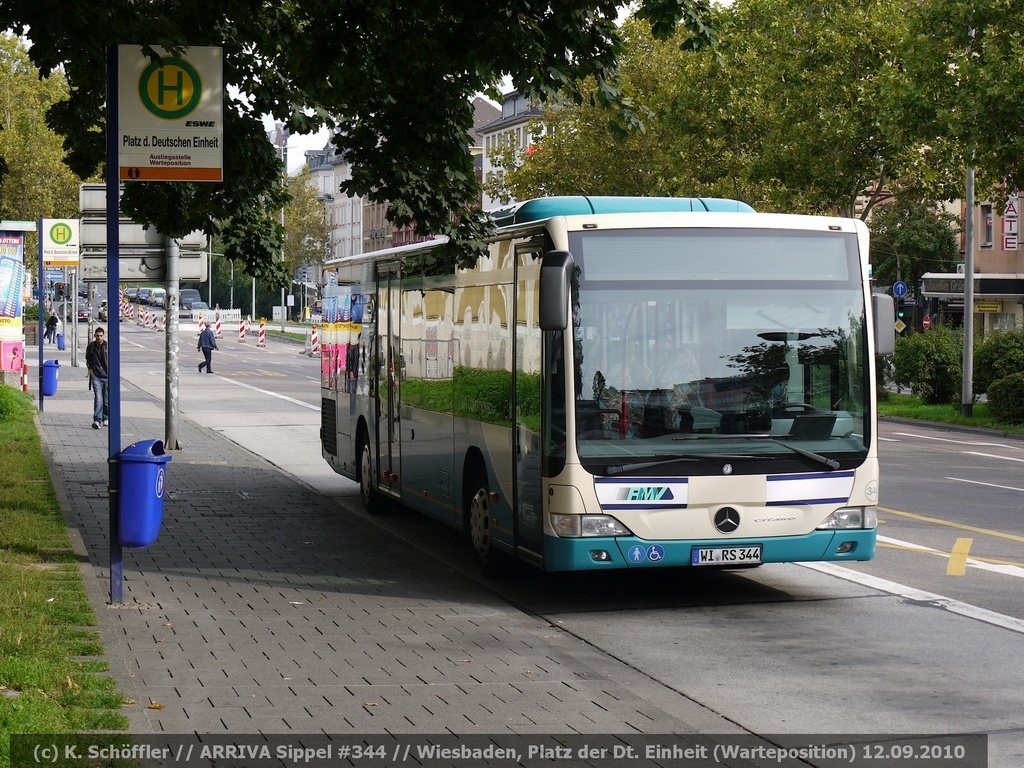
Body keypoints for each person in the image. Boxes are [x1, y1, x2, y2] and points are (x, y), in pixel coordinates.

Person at [85, 327, 109, 429]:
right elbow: (88, 360)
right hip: (96, 376)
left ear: (103, 336)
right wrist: (91, 372)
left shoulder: (108, 346)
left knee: (106, 400)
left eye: (101, 336)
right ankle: (97, 420)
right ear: (95, 336)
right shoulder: (91, 347)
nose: (99, 338)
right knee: (99, 398)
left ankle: (105, 417)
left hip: (107, 376)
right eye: (97, 336)